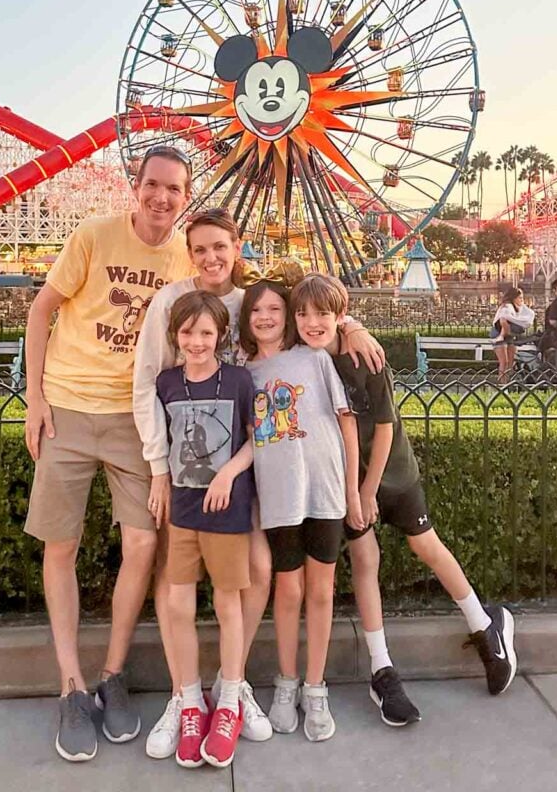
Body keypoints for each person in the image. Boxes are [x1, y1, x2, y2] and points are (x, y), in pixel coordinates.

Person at [133, 209, 385, 757]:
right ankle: (190, 696)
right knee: (182, 584)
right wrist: (157, 466)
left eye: (220, 247)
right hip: (190, 479)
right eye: (200, 248)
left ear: (236, 246)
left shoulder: (265, 326)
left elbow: (315, 308)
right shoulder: (173, 306)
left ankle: (234, 687)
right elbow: (148, 388)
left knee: (258, 576)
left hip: (252, 481)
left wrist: (350, 323)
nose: (211, 257)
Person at [23, 145, 193, 763]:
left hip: (135, 418)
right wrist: (34, 399)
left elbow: (255, 308)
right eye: (152, 185)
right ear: (137, 187)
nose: (161, 197)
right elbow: (41, 311)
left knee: (143, 544)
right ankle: (71, 685)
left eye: (173, 189)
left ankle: (112, 674)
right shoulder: (93, 236)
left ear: (186, 196)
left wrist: (349, 326)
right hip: (68, 406)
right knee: (60, 544)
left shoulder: (185, 256)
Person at [291, 273, 518, 723]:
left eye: (323, 314)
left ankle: (485, 623)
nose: (312, 322)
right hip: (344, 481)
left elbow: (385, 425)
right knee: (365, 559)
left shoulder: (365, 357)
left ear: (339, 316)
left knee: (425, 545)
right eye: (304, 314)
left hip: (390, 472)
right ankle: (381, 666)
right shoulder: (305, 360)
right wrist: (355, 493)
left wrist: (368, 489)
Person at [239, 280, 364, 743]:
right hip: (278, 496)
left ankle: (316, 687)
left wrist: (351, 493)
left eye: (276, 308)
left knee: (322, 591)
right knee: (287, 590)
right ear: (247, 318)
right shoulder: (243, 374)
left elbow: (347, 426)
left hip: (325, 492)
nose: (267, 317)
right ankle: (285, 682)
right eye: (258, 310)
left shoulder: (315, 360)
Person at [157, 290, 255, 768]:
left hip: (226, 508)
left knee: (227, 601)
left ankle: (230, 698)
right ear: (176, 335)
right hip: (183, 507)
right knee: (179, 600)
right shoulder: (166, 382)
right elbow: (159, 439)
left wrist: (227, 474)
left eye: (206, 333)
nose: (197, 342)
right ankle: (191, 699)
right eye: (188, 332)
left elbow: (259, 439)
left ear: (221, 336)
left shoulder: (238, 381)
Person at [491, 287, 535, 381]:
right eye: (520, 298)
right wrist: (505, 333)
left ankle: (508, 382)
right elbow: (503, 320)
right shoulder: (507, 307)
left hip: (509, 336)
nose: (522, 300)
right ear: (513, 298)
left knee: (511, 362)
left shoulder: (517, 308)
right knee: (504, 362)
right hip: (499, 334)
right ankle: (502, 386)